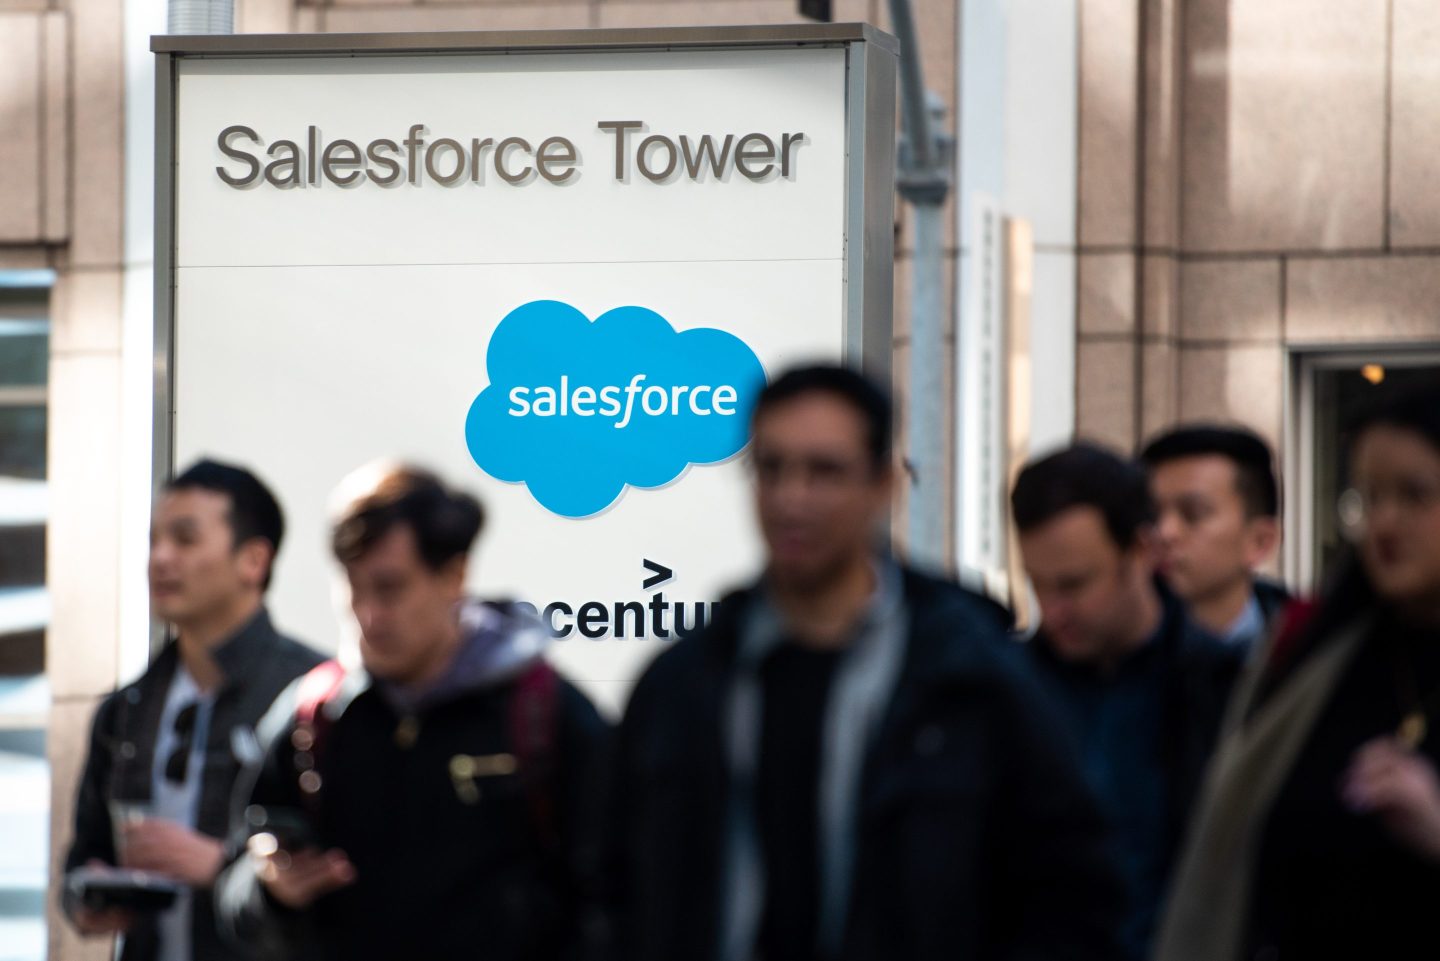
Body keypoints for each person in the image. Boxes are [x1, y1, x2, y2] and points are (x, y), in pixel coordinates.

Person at [605, 365, 1123, 961]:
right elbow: (614, 883)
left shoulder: (973, 677)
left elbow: (1071, 891)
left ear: (884, 484)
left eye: (824, 472)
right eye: (771, 469)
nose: (791, 499)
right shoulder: (688, 681)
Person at [216, 463, 609, 961]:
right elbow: (230, 894)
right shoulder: (313, 718)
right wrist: (269, 890)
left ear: (455, 576)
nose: (367, 613)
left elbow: (621, 896)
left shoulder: (544, 712)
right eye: (352, 586)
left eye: (390, 587)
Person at [1157, 385, 1440, 961]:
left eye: (1415, 495)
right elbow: (1222, 859)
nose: (1384, 522)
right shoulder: (1310, 648)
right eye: (1368, 497)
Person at [62, 459, 324, 961]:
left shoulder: (313, 696)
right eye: (154, 540)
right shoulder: (124, 710)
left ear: (253, 561)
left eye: (184, 539)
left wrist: (223, 868)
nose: (160, 559)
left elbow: (346, 871)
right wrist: (87, 895)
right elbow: (82, 859)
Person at [1010, 443, 1244, 961]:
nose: (1053, 611)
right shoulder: (1008, 695)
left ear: (1142, 552)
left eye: (1074, 585)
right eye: (1038, 585)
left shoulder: (1228, 689)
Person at [1140, 425, 1288, 646]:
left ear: (1260, 542)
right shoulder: (1103, 653)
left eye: (1193, 514)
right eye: (1151, 514)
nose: (1164, 533)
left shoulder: (1315, 652)